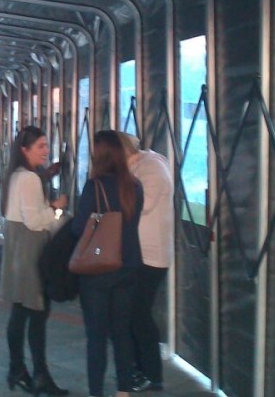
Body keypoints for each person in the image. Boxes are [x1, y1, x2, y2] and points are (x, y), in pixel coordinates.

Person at [71, 130, 143, 397]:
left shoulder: (95, 186)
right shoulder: (135, 186)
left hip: (98, 272)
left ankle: (96, 391)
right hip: (128, 267)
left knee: (96, 337)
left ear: (100, 155)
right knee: (121, 333)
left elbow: (80, 227)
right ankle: (124, 390)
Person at [0, 126, 69, 396]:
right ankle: (39, 375)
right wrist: (56, 207)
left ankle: (18, 370)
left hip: (18, 249)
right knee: (37, 314)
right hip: (30, 250)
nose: (46, 150)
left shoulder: (17, 176)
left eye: (45, 145)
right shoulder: (28, 178)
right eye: (40, 146)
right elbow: (35, 221)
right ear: (24, 150)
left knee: (20, 313)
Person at [119, 133, 174, 393]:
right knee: (134, 314)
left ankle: (151, 373)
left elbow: (142, 205)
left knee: (138, 314)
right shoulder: (139, 166)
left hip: (150, 256)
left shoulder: (151, 166)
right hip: (140, 254)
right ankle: (143, 369)